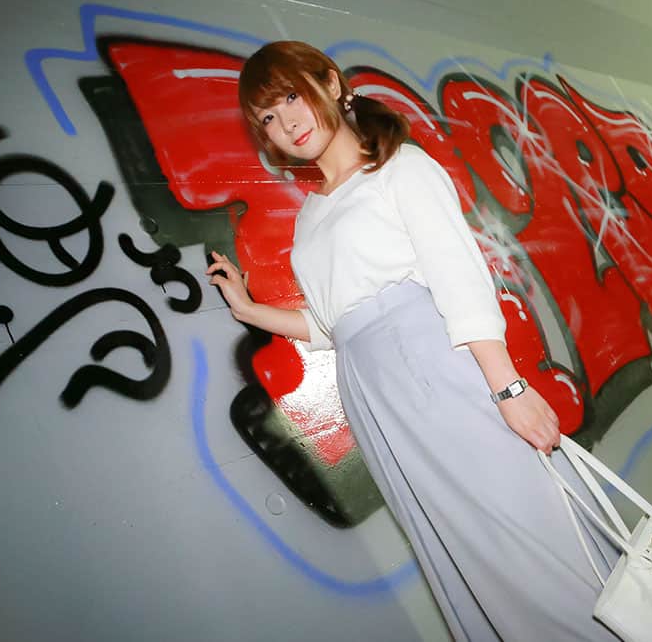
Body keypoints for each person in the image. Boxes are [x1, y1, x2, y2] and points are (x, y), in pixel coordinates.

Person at [206, 40, 620, 641]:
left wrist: (508, 386)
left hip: (434, 369)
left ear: (331, 84)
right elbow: (332, 325)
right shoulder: (310, 216)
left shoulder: (400, 168)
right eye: (268, 117)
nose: (286, 123)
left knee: (530, 531)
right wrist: (248, 309)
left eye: (292, 97)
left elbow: (457, 275)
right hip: (375, 397)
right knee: (462, 552)